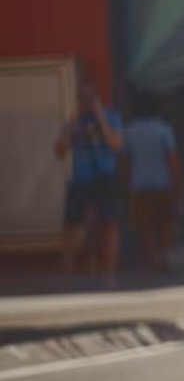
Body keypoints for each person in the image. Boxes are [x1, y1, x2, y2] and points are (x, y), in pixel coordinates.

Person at [54, 79, 123, 281]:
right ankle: (68, 273)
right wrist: (71, 126)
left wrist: (100, 117)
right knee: (70, 226)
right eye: (82, 98)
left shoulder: (111, 117)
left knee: (109, 224)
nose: (85, 102)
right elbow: (59, 151)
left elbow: (116, 144)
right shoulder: (74, 121)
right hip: (80, 178)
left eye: (89, 98)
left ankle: (109, 272)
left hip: (105, 176)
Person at [122, 93, 180, 272]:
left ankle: (152, 257)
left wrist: (126, 184)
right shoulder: (164, 130)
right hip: (163, 184)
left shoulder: (129, 132)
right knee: (166, 222)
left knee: (144, 226)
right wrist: (177, 183)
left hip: (139, 186)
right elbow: (172, 160)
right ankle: (163, 255)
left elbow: (125, 161)